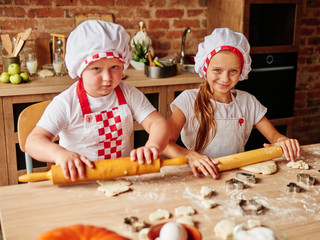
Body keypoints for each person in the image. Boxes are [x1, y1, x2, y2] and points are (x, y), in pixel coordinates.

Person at [25, 20, 169, 181]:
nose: (108, 78)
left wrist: (153, 146)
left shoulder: (129, 94)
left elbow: (157, 123)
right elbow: (33, 142)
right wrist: (59, 154)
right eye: (96, 69)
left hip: (123, 177)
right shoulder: (66, 103)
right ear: (80, 70)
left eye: (115, 67)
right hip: (78, 181)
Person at [163, 28, 300, 179]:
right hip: (200, 174)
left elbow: (274, 136)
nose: (225, 79)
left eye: (233, 71)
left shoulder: (248, 102)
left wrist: (283, 140)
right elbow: (165, 143)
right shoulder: (188, 100)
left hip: (238, 176)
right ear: (205, 68)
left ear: (242, 71)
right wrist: (190, 156)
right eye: (217, 70)